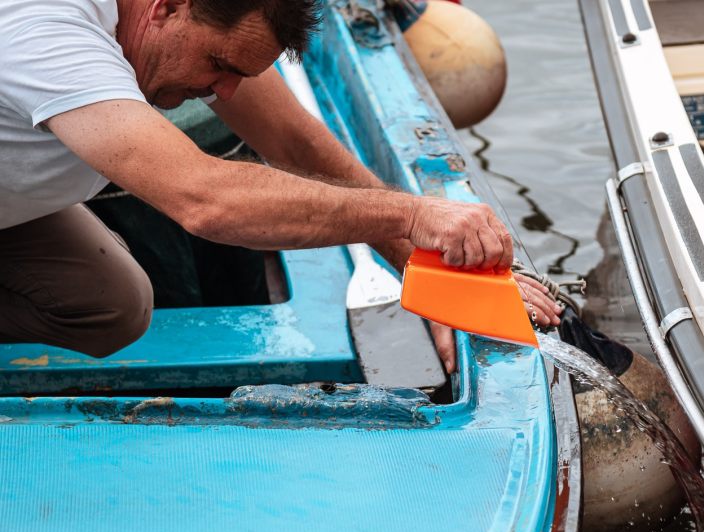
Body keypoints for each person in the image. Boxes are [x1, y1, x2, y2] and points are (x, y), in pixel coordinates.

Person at [0, 0, 560, 372]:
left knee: (113, 305)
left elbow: (296, 142)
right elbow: (205, 198)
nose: (221, 93)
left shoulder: (204, 25)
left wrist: (425, 269)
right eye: (218, 64)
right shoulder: (44, 33)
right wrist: (413, 215)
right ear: (167, 6)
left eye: (238, 75)